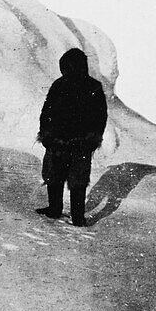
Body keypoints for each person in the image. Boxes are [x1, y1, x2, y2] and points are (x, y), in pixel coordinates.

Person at [37, 48, 108, 227]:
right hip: (70, 141)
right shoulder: (85, 86)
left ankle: (67, 213)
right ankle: (69, 214)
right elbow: (47, 112)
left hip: (71, 142)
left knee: (65, 177)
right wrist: (47, 134)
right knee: (67, 177)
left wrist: (46, 134)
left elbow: (47, 113)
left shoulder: (68, 85)